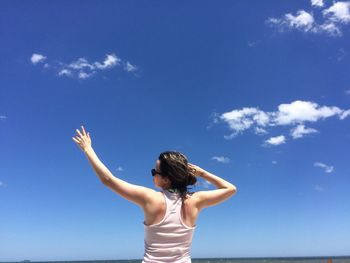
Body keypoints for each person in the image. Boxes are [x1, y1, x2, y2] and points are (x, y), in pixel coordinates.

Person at [72, 126, 237, 263]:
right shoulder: (196, 201)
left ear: (165, 179)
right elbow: (230, 189)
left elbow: (108, 179)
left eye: (154, 171)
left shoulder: (150, 198)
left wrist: (87, 149)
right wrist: (202, 173)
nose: (152, 175)